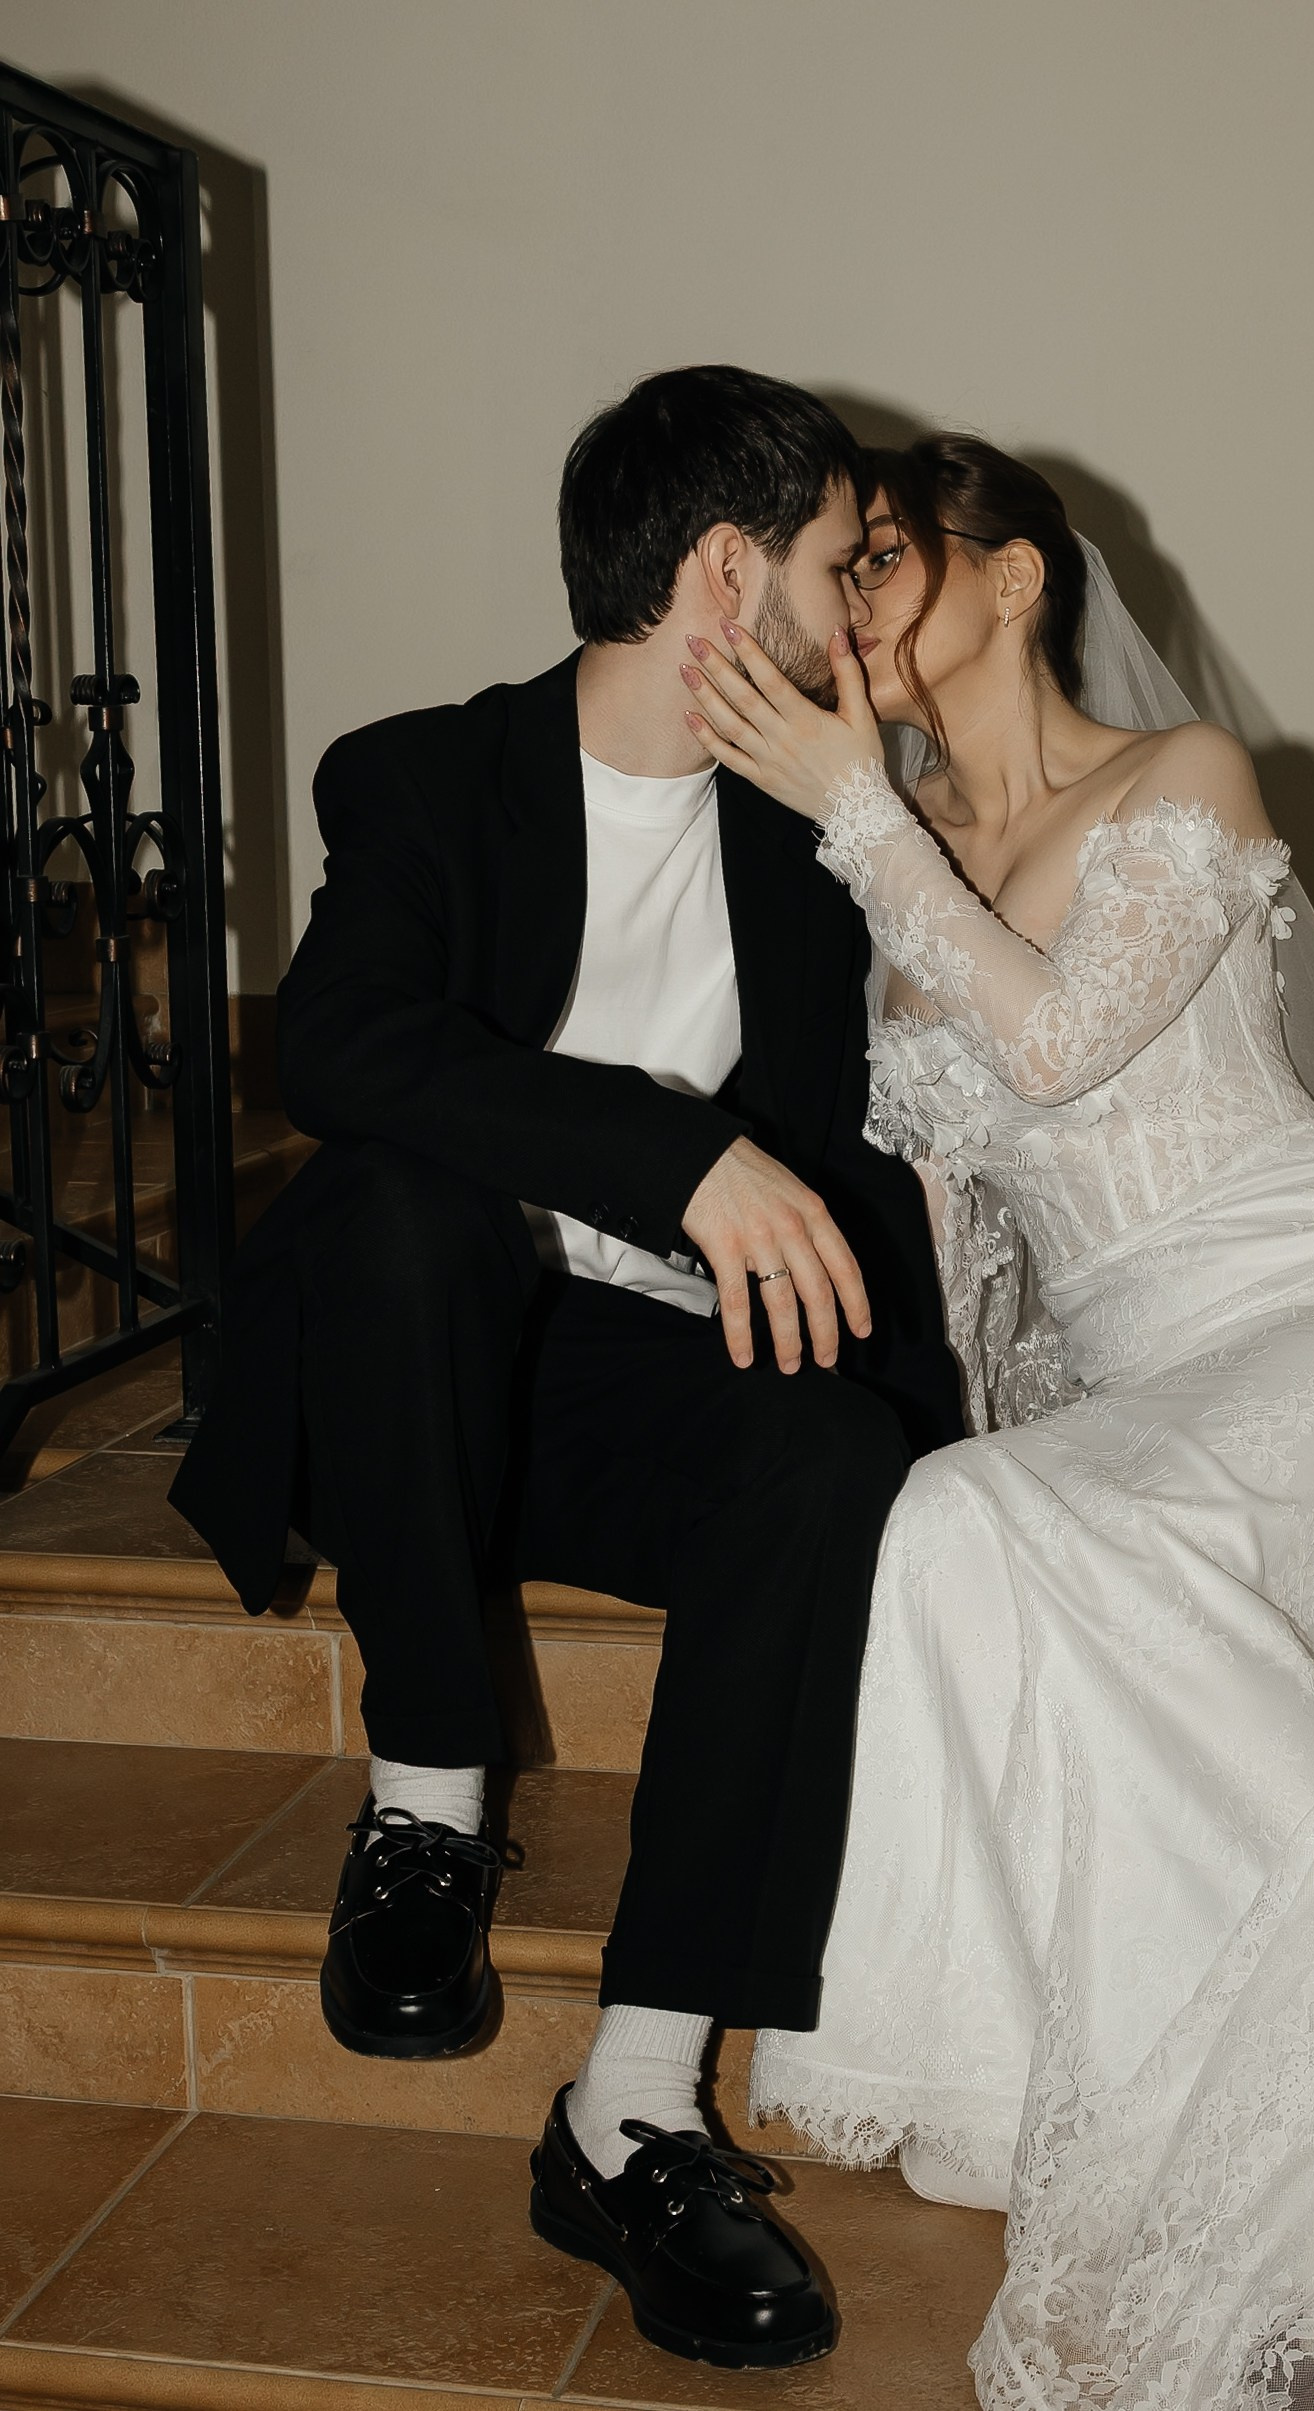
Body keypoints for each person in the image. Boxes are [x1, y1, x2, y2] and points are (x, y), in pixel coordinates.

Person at [683, 434, 1314, 2410]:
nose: (850, 609)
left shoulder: (1179, 781)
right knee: (958, 1522)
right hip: (1160, 1380)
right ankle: (1166, 2090)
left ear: (1015, 579)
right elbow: (971, 1239)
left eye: (886, 562)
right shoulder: (897, 861)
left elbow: (1058, 1045)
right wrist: (984, 1438)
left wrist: (856, 818)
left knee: (1067, 1540)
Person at [169, 367, 963, 2373]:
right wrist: (671, 1155)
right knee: (401, 1202)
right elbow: (336, 1048)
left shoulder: (808, 842)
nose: (860, 607)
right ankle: (429, 1801)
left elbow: (864, 1172)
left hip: (626, 1398)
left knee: (825, 1458)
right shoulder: (429, 778)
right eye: (839, 563)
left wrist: (926, 1417)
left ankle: (635, 2106)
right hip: (405, 1383)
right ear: (726, 575)